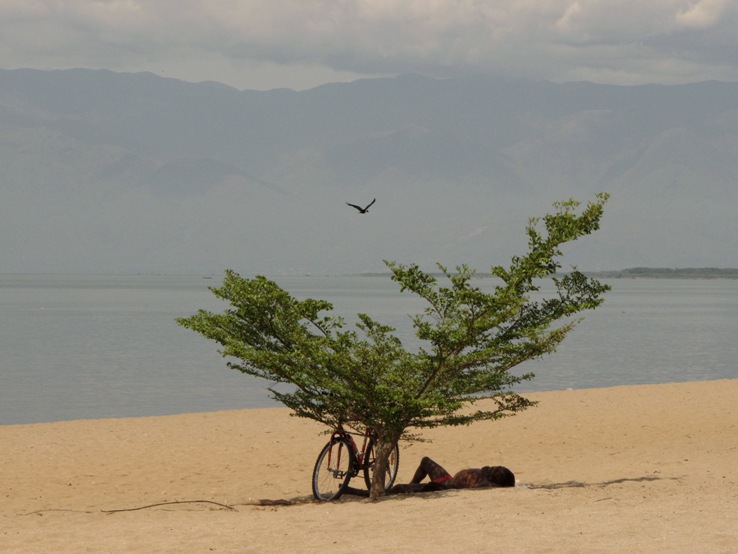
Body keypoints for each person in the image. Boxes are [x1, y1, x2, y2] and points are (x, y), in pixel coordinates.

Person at [387, 456, 515, 494]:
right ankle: (412, 483)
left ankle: (408, 487)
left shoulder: (486, 484)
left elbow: (504, 488)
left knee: (399, 488)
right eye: (497, 467)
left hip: (444, 487)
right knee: (426, 461)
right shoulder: (485, 474)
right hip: (447, 479)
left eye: (496, 471)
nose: (493, 468)